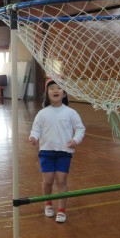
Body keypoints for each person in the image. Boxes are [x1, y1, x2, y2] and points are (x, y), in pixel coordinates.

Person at [29, 79, 85, 223]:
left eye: (59, 88)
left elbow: (80, 129)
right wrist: (33, 137)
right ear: (47, 93)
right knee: (47, 181)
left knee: (61, 179)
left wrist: (75, 140)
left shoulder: (71, 113)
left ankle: (61, 210)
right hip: (46, 151)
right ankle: (48, 203)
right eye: (52, 88)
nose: (55, 90)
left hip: (64, 152)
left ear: (64, 94)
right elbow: (36, 129)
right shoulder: (42, 113)